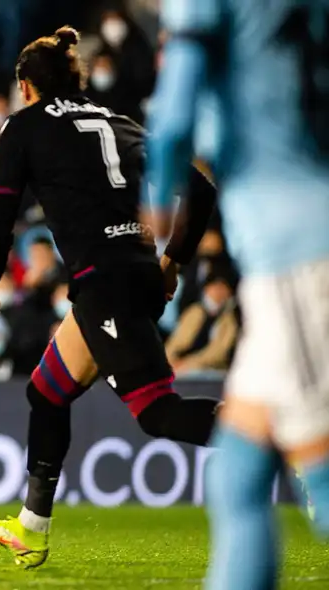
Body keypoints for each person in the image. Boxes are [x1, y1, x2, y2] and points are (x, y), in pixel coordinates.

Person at [0, 27, 220, 569]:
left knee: (157, 414)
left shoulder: (23, 127)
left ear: (26, 87)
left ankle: (290, 439)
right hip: (131, 275)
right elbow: (201, 191)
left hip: (107, 283)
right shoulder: (117, 122)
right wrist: (172, 262)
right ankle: (31, 528)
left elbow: (1, 220)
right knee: (47, 393)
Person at [144, 2, 329, 588]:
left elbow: (174, 116)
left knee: (322, 474)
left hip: (297, 255)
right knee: (238, 473)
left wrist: (157, 193)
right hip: (296, 243)